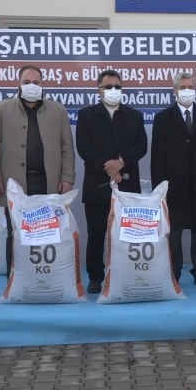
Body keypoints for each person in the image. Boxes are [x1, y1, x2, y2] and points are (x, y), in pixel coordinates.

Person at [0, 65, 76, 278]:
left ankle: (47, 278)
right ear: (18, 84)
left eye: (36, 82)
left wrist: (67, 177)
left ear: (43, 84)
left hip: (48, 182)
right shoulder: (2, 109)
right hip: (14, 185)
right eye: (26, 82)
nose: (31, 86)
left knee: (49, 232)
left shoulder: (58, 110)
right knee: (15, 233)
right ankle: (15, 279)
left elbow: (67, 147)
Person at [150, 72, 196, 289]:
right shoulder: (163, 118)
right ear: (174, 91)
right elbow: (157, 157)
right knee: (174, 232)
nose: (187, 91)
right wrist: (159, 188)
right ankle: (174, 273)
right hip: (174, 185)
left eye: (190, 87)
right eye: (182, 87)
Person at [76, 69, 147, 294]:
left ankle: (124, 274)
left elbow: (141, 145)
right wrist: (109, 167)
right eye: (108, 87)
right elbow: (84, 147)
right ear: (99, 90)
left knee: (126, 235)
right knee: (96, 234)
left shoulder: (134, 116)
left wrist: (121, 162)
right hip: (97, 185)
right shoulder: (86, 115)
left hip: (127, 186)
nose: (113, 90)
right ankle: (95, 277)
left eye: (117, 86)